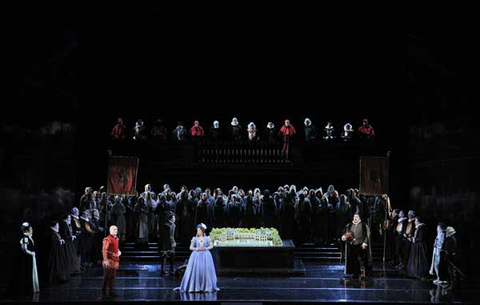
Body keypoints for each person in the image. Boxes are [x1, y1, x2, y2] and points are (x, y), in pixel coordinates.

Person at [174, 223, 219, 293]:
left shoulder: (207, 238)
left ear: (202, 231)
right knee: (197, 269)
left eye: (199, 230)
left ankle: (206, 286)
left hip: (205, 255)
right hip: (196, 255)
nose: (198, 232)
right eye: (197, 230)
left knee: (205, 270)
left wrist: (205, 248)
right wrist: (197, 249)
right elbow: (191, 247)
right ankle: (195, 286)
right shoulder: (195, 238)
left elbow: (211, 246)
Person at [341, 213, 372, 280]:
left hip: (360, 244)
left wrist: (365, 242)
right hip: (352, 244)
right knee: (354, 259)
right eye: (354, 217)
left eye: (357, 217)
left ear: (359, 218)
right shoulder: (349, 225)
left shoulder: (363, 225)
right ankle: (355, 273)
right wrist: (344, 236)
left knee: (360, 260)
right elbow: (345, 232)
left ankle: (363, 274)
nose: (355, 218)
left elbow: (367, 234)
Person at [18, 222, 40, 294]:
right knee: (28, 272)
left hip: (31, 257)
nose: (32, 230)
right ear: (27, 230)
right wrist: (32, 253)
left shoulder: (29, 237)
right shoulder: (25, 238)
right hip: (27, 258)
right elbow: (24, 249)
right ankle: (28, 289)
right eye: (30, 229)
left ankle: (33, 288)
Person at [102, 225, 121, 298]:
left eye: (116, 229)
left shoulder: (116, 239)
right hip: (109, 260)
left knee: (113, 277)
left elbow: (115, 248)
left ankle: (111, 292)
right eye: (114, 229)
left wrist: (118, 252)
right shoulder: (107, 239)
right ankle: (104, 292)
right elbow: (104, 250)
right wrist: (105, 260)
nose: (115, 230)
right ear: (110, 231)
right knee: (107, 277)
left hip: (115, 260)